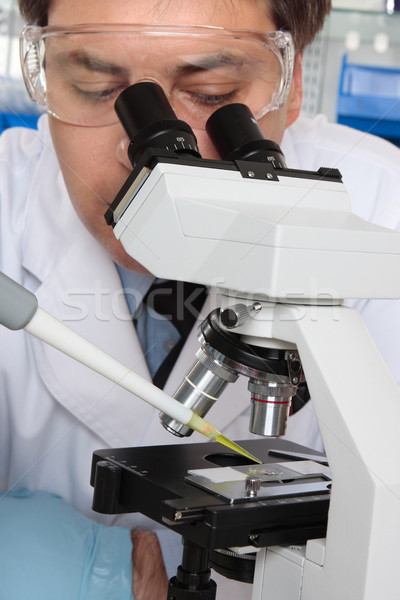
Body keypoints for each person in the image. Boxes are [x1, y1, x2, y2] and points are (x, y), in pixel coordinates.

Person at [1, 0, 400, 597]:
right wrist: (80, 571)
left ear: (291, 91)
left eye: (213, 93)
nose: (133, 153)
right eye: (93, 84)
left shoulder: (381, 211)